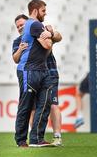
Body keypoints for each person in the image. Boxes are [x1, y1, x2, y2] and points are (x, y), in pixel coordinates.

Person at [12, 15, 62, 146]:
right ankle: (22, 140)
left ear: (28, 23)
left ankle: (43, 137)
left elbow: (57, 38)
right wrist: (20, 50)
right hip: (31, 73)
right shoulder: (18, 41)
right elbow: (15, 59)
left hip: (49, 72)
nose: (20, 27)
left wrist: (50, 33)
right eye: (17, 26)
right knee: (29, 106)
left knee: (48, 104)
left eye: (22, 24)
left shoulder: (40, 31)